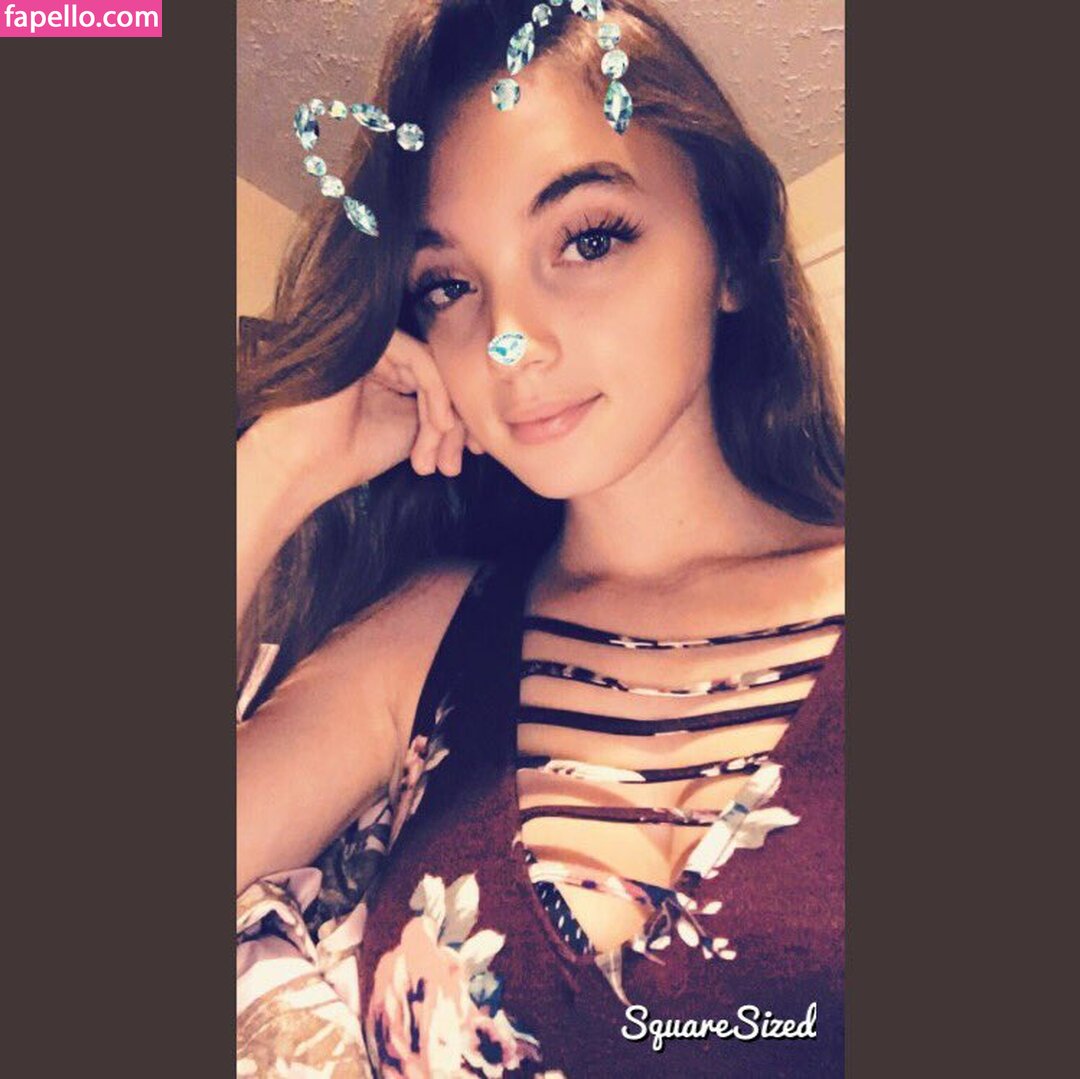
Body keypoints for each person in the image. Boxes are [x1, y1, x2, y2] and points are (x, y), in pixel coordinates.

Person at [236, 1, 845, 1075]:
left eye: (588, 238)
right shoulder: (429, 635)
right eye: (451, 286)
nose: (510, 341)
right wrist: (277, 468)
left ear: (732, 256)